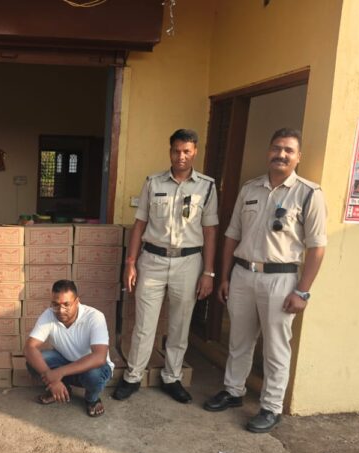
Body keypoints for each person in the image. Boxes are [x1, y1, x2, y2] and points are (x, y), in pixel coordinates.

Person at [204, 128, 327, 433]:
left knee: (275, 348)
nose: (281, 154)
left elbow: (317, 248)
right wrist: (225, 276)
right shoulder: (250, 189)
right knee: (239, 340)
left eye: (288, 150)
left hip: (281, 280)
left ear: (298, 157)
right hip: (243, 275)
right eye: (276, 148)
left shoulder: (309, 193)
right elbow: (232, 235)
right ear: (268, 151)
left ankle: (271, 407)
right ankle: (233, 391)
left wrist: (302, 291)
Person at [114, 129, 218, 404]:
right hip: (153, 260)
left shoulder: (207, 186)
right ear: (170, 151)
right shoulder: (153, 182)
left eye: (186, 151)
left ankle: (172, 377)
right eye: (176, 151)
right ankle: (133, 376)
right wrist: (130, 263)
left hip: (188, 262)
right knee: (144, 325)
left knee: (180, 325)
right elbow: (140, 225)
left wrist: (208, 272)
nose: (181, 156)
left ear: (195, 152)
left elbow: (210, 231)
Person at [24, 280, 113, 418]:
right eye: (55, 304)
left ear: (77, 301)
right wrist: (53, 379)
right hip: (65, 361)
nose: (60, 310)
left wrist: (58, 373)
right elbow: (29, 348)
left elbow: (99, 357)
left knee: (94, 375)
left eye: (66, 304)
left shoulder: (95, 317)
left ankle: (92, 399)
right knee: (33, 361)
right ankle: (62, 389)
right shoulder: (49, 315)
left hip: (92, 368)